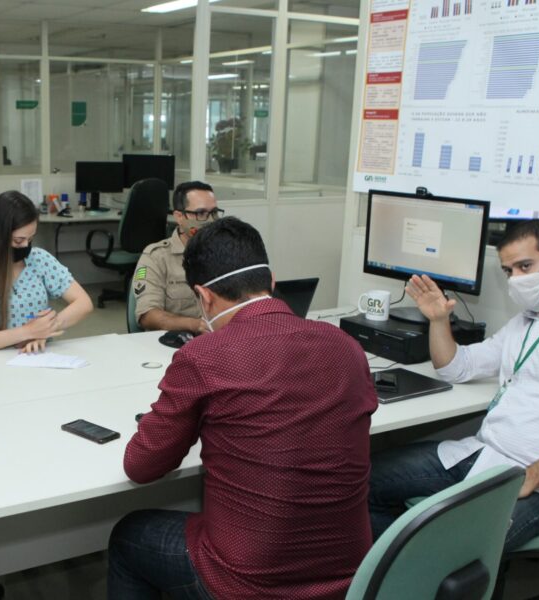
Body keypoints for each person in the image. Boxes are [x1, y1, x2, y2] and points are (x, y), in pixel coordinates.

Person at [110, 217, 377, 600]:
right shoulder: (345, 345)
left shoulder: (204, 356)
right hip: (349, 578)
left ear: (203, 298)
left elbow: (141, 466)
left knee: (129, 536)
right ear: (271, 281)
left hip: (247, 584)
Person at [368, 220, 539, 550]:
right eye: (508, 271)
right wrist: (439, 321)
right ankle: (395, 572)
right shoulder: (525, 322)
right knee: (363, 481)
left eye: (525, 266)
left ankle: (419, 571)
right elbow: (457, 368)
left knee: (449, 551)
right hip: (481, 456)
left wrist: (531, 475)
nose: (516, 279)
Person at [0, 190, 93, 352]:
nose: (26, 246)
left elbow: (84, 303)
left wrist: (48, 327)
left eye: (30, 239)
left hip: (36, 358)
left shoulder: (39, 260)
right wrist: (26, 332)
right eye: (18, 240)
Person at [132, 181, 223, 333]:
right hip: (177, 341)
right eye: (200, 213)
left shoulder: (227, 251)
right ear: (179, 216)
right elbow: (147, 315)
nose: (210, 221)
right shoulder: (155, 257)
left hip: (221, 339)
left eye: (214, 213)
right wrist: (195, 325)